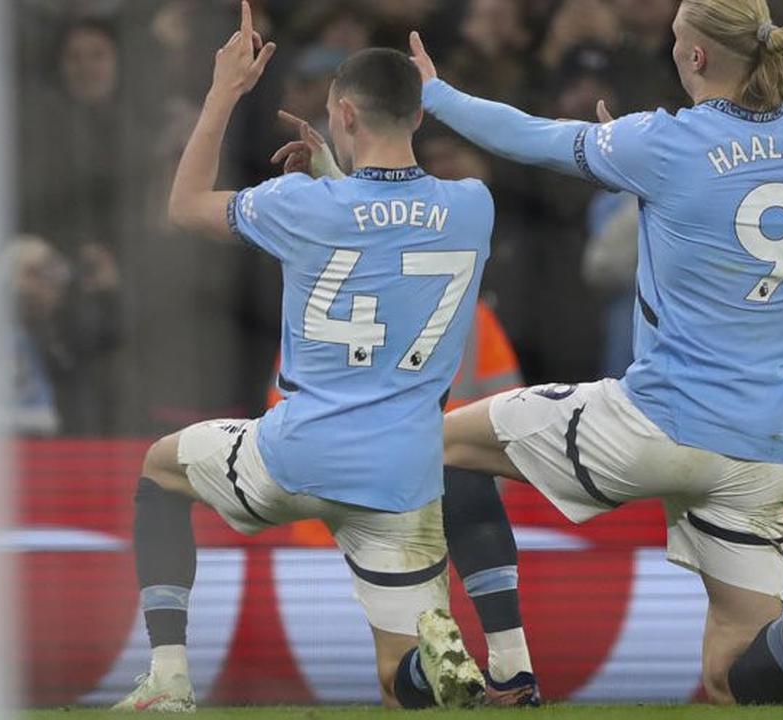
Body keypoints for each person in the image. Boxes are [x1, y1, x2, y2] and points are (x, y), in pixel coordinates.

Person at [404, 0, 783, 706]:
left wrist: (436, 94)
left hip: (657, 424)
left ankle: (511, 669)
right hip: (761, 452)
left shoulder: (662, 142)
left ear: (695, 56)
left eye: (677, 38)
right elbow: (739, 178)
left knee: (438, 446)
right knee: (733, 675)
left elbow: (530, 136)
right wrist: (638, 159)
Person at [115, 3, 499, 711]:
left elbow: (185, 205)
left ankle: (168, 676)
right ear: (418, 116)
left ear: (344, 114)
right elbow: (388, 231)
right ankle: (425, 668)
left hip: (297, 454)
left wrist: (224, 91)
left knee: (161, 470)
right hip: (402, 475)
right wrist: (332, 174)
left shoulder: (299, 205)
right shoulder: (473, 205)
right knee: (397, 674)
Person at [268, 298, 539, 705]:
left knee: (392, 670)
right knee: (398, 667)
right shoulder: (468, 309)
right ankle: (493, 669)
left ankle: (430, 670)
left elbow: (285, 436)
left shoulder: (322, 300)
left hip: (333, 540)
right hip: (433, 519)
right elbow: (509, 425)